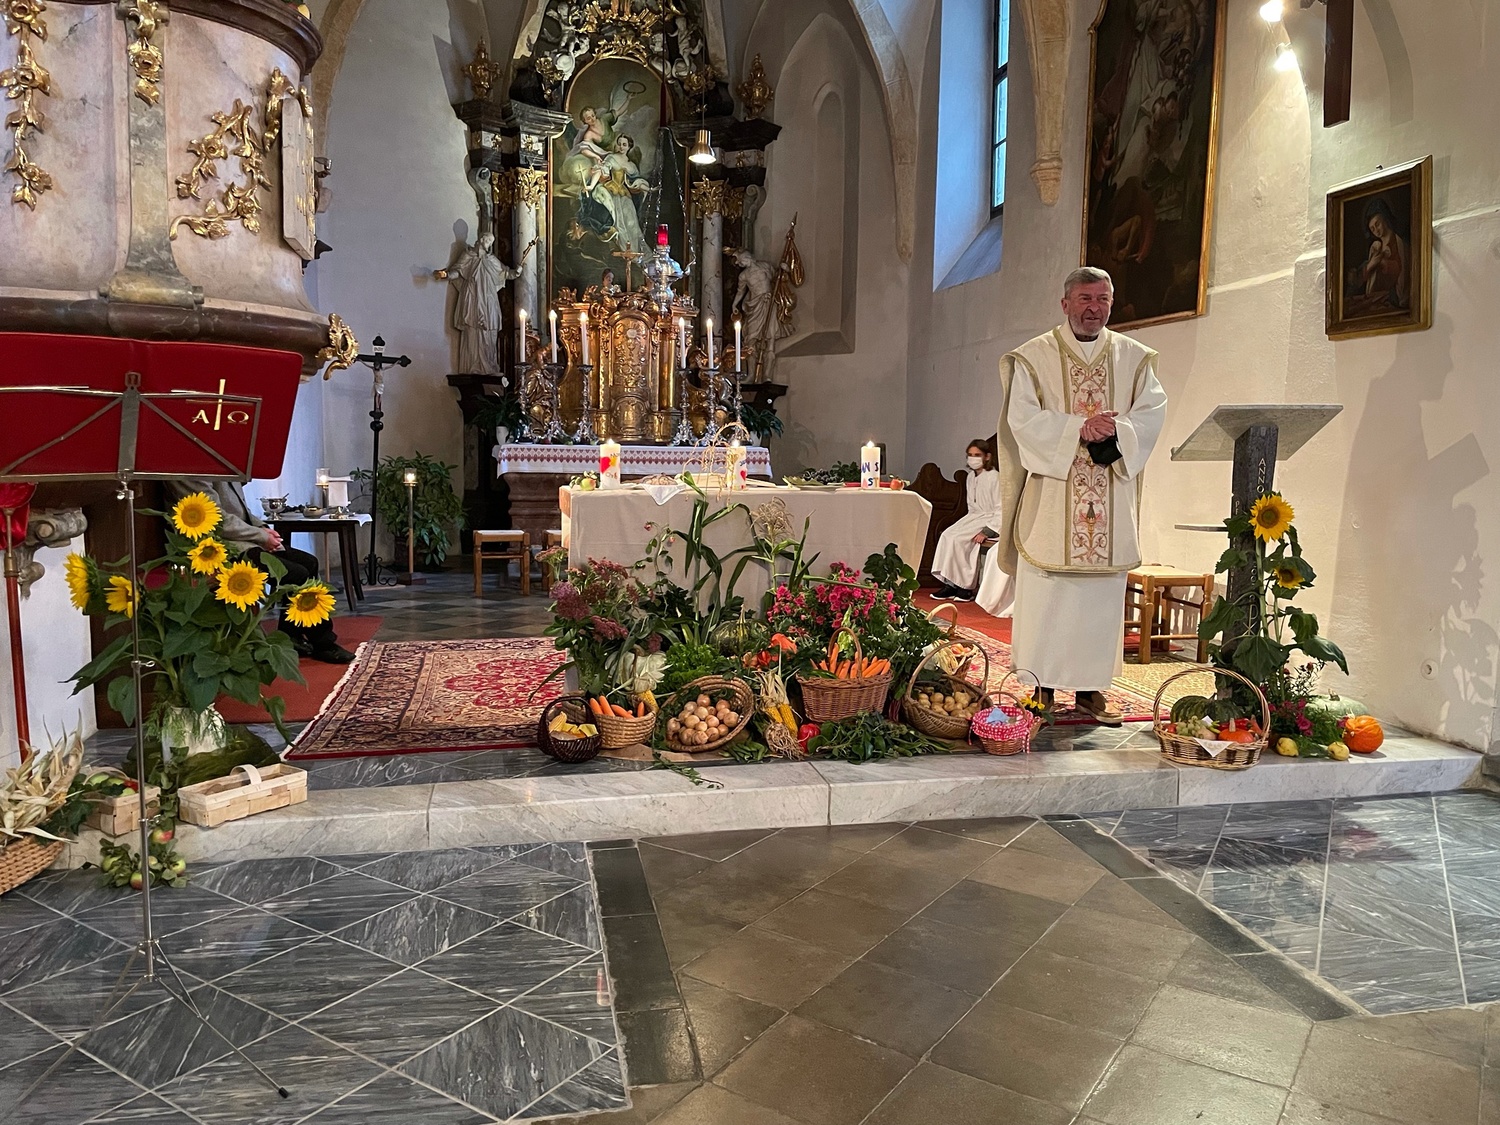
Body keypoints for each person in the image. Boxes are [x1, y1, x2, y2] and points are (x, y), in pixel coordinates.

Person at [994, 266, 1167, 724]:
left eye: (1103, 299)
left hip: (1109, 502)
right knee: (1048, 599)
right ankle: (1042, 689)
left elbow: (1151, 413)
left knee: (1097, 606)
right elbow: (1021, 419)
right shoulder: (1034, 357)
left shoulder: (1135, 358)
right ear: (1065, 303)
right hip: (1053, 502)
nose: (1094, 308)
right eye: (1086, 298)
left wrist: (1117, 428)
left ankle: (1091, 692)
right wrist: (1076, 427)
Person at [166, 480, 354, 664]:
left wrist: (262, 528)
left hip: (242, 538)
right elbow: (214, 519)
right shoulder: (192, 471)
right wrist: (260, 536)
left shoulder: (224, 465)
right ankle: (323, 644)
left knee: (309, 563)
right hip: (217, 546)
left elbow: (241, 512)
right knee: (296, 574)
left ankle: (291, 637)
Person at [931, 440, 1004, 602]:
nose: (973, 458)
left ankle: (965, 587)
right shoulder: (970, 477)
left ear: (987, 456)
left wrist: (987, 531)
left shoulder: (995, 477)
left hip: (989, 518)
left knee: (959, 539)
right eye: (970, 455)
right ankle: (950, 584)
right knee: (947, 535)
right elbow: (972, 505)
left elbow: (1001, 508)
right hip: (973, 516)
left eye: (977, 455)